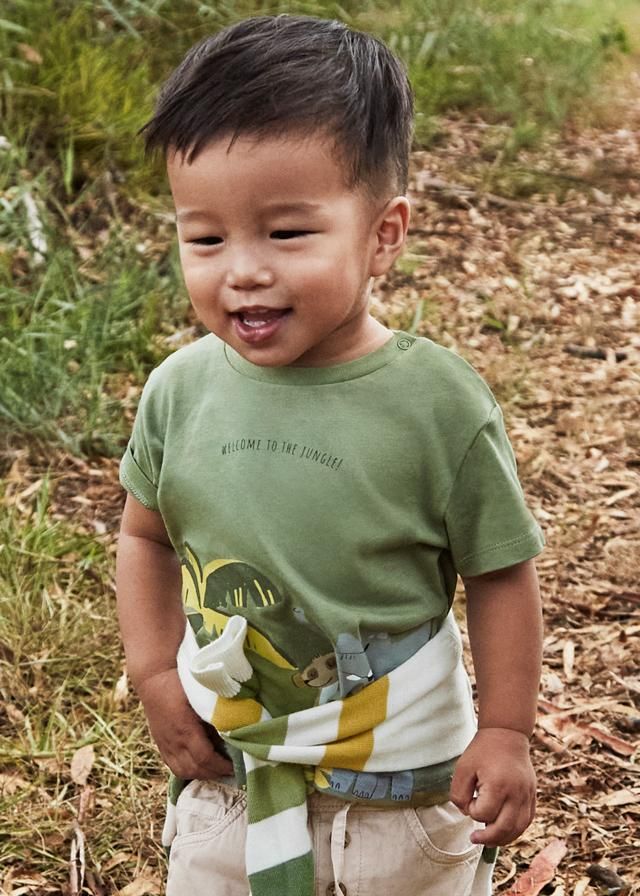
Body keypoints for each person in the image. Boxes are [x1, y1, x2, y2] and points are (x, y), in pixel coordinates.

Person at [116, 14, 544, 896]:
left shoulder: (435, 406)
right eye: (205, 238)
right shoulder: (180, 392)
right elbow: (146, 537)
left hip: (404, 800)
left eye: (286, 233)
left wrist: (505, 729)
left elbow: (501, 571)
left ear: (383, 234)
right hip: (233, 777)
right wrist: (154, 672)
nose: (242, 270)